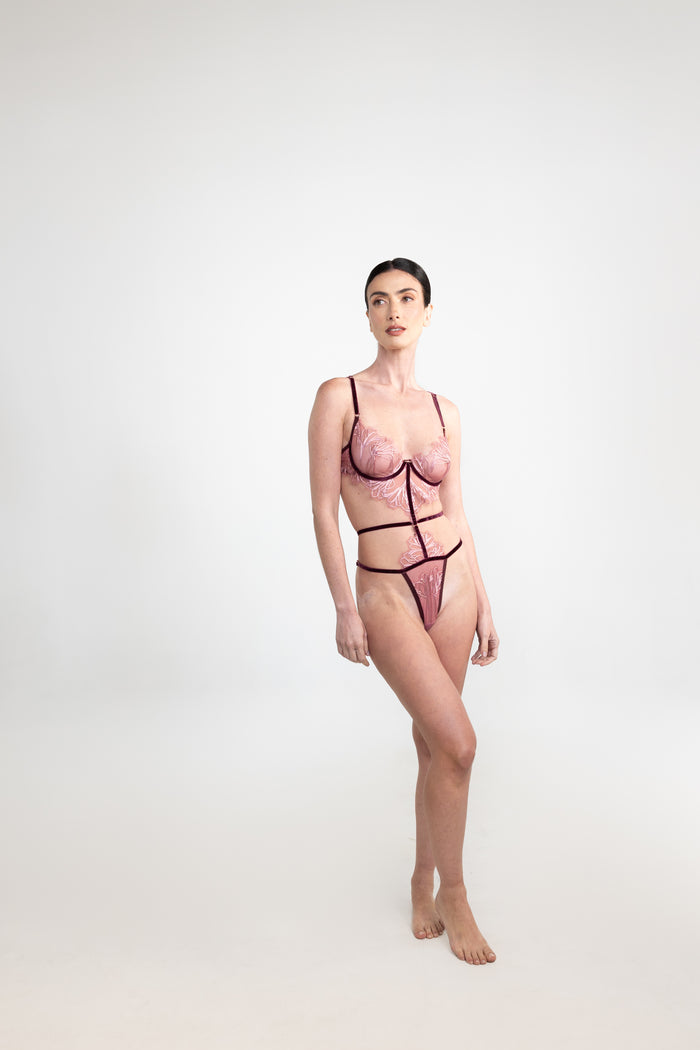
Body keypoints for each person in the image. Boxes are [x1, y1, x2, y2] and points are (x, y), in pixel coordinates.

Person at [308, 258, 499, 965]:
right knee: (460, 743)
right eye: (379, 299)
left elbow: (457, 512)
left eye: (407, 298)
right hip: (385, 588)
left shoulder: (445, 410)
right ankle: (456, 893)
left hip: (454, 586)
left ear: (427, 313)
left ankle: (424, 879)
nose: (394, 310)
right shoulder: (339, 397)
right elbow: (324, 512)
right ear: (366, 315)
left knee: (433, 746)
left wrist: (485, 603)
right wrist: (343, 606)